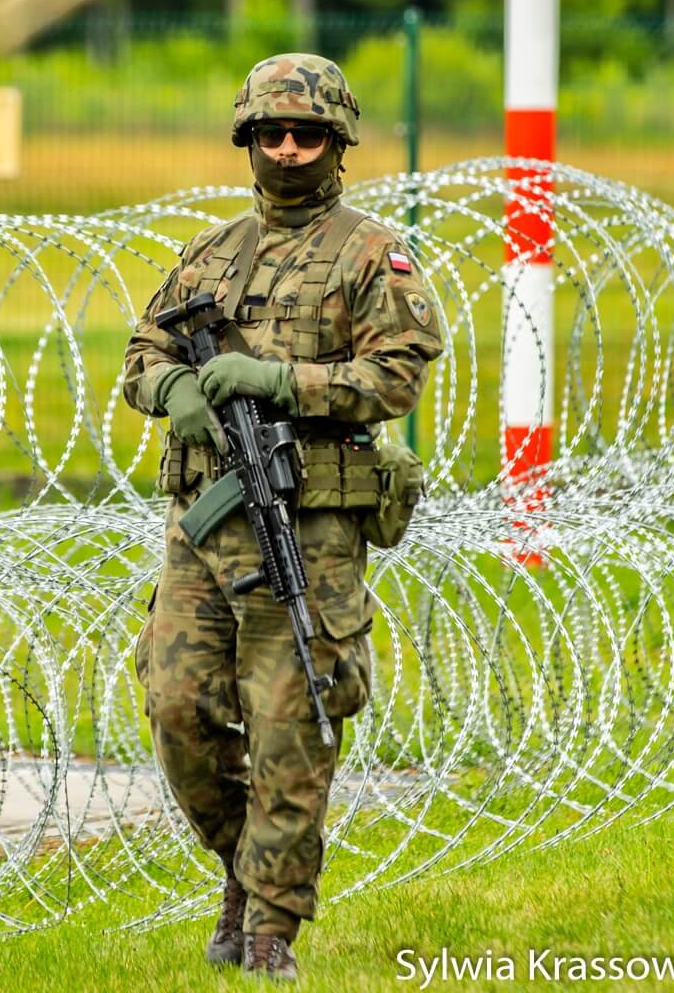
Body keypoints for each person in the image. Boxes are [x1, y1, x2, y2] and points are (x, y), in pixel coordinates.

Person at [121, 53, 444, 981]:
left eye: (308, 134)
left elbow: (395, 376)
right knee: (178, 710)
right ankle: (246, 867)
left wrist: (279, 381)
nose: (290, 149)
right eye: (273, 133)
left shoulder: (369, 254)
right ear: (248, 139)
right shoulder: (211, 252)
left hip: (309, 525)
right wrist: (174, 387)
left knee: (291, 722)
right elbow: (142, 354)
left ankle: (269, 927)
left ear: (338, 142)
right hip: (203, 526)